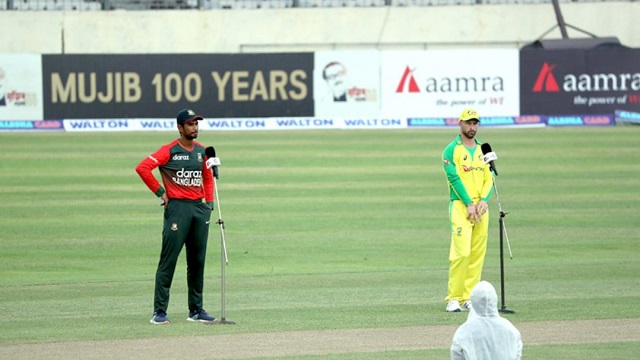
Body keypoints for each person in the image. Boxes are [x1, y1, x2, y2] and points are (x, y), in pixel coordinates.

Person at [135, 108, 217, 325]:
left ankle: (196, 310)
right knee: (169, 260)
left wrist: (209, 203)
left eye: (196, 124)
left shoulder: (202, 151)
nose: (195, 127)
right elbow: (143, 168)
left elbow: (207, 178)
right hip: (177, 209)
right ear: (180, 127)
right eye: (190, 124)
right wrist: (161, 193)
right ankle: (159, 312)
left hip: (199, 210)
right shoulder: (169, 150)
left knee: (197, 261)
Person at [441, 108, 494, 313]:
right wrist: (469, 203)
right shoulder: (451, 150)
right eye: (468, 123)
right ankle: (453, 298)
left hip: (481, 209)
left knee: (476, 255)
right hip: (461, 206)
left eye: (475, 123)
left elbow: (490, 178)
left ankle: (467, 297)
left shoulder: (484, 150)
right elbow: (453, 178)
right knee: (461, 253)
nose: (472, 127)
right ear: (460, 124)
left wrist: (484, 200)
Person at [450, 281, 522, 359]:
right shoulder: (510, 329)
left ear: (473, 300)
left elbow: (457, 355)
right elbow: (517, 355)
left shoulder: (464, 331)